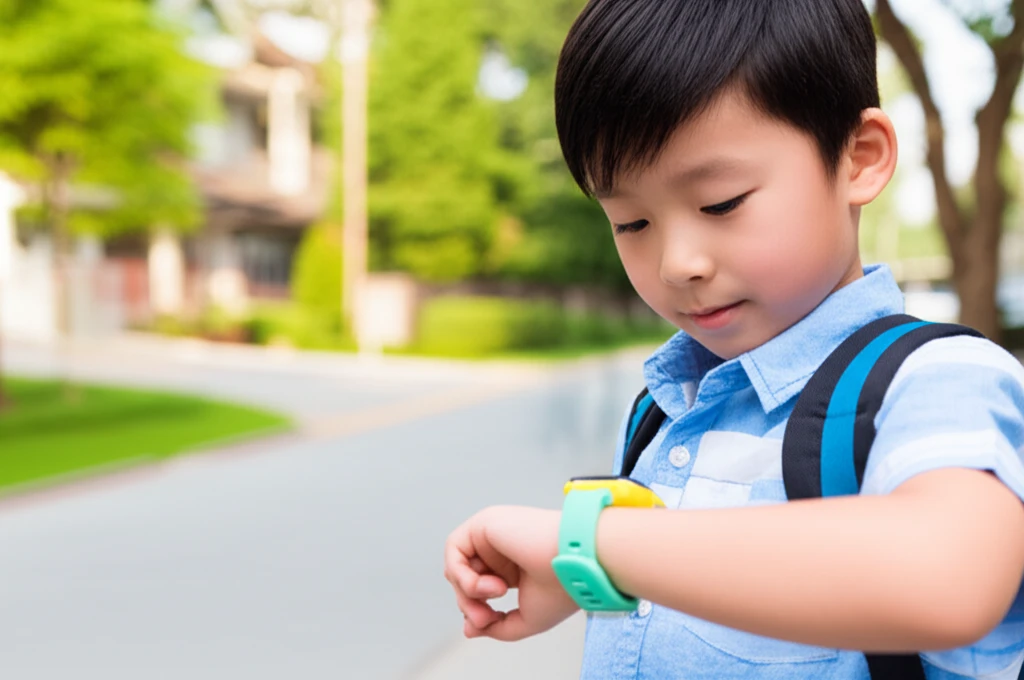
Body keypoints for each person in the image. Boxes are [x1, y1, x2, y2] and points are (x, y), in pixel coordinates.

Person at [442, 1, 1024, 677]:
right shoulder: (667, 410)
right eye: (631, 222)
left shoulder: (936, 381)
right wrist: (585, 575)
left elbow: (945, 576)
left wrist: (595, 543)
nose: (676, 262)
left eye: (720, 203)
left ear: (859, 159)